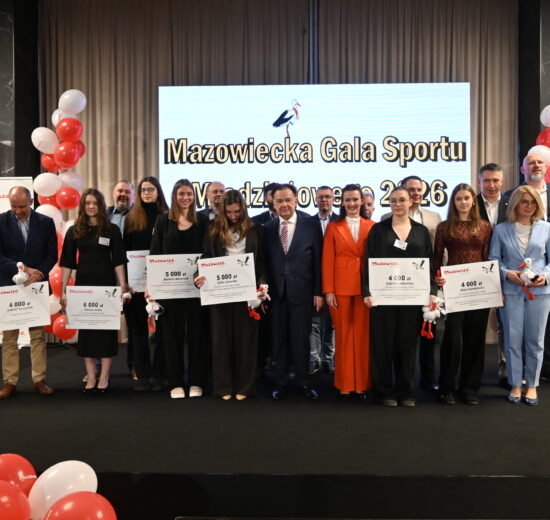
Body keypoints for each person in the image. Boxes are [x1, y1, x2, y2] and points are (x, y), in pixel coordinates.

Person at [363, 186, 436, 407]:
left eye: (402, 200)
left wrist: (432, 291)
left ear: (410, 202)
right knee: (383, 345)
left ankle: (407, 392)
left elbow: (429, 264)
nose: (397, 204)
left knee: (407, 345)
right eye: (393, 200)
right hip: (382, 298)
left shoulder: (421, 231)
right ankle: (384, 391)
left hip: (412, 299)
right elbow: (367, 261)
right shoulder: (378, 230)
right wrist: (366, 292)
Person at [195, 190, 267, 400]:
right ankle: (223, 387)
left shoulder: (255, 228)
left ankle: (245, 387)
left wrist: (262, 284)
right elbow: (206, 256)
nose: (234, 216)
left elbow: (261, 260)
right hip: (220, 292)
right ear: (222, 211)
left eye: (237, 212)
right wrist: (198, 275)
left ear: (243, 209)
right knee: (221, 340)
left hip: (247, 291)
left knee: (247, 341)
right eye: (229, 212)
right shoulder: (213, 228)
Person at [60, 188, 129, 393]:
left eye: (95, 203)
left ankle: (104, 377)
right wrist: (64, 290)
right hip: (83, 285)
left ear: (101, 206)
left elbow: (118, 260)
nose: (91, 206)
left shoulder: (111, 229)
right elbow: (67, 262)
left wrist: (122, 286)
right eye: (88, 203)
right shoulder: (74, 230)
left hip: (106, 285)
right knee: (87, 332)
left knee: (106, 331)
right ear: (83, 206)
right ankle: (91, 377)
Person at [489, 186, 550, 405]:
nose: (529, 206)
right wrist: (507, 273)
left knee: (536, 341)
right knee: (512, 340)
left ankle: (532, 385)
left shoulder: (547, 228)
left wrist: (546, 277)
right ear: (515, 203)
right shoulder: (501, 229)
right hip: (511, 292)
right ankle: (515, 384)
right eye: (524, 201)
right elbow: (494, 259)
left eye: (533, 202)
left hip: (540, 293)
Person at [148, 179, 209, 399]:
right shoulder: (163, 220)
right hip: (169, 288)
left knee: (197, 334)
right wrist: (150, 285)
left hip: (196, 288)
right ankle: (175, 381)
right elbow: (155, 253)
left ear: (194, 196)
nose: (185, 198)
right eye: (181, 194)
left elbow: (209, 253)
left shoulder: (203, 220)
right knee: (170, 335)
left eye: (189, 194)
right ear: (174, 196)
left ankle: (196, 381)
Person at [433, 183, 492, 405]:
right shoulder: (444, 227)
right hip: (454, 288)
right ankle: (447, 387)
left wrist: (493, 288)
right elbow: (436, 258)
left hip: (479, 288)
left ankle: (469, 388)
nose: (463, 202)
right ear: (453, 202)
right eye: (458, 199)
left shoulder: (484, 226)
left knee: (475, 338)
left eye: (466, 198)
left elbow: (488, 258)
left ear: (473, 200)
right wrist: (437, 277)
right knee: (452, 338)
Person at [263, 183, 323, 400]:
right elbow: (264, 263)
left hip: (303, 293)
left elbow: (318, 261)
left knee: (301, 341)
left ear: (296, 201)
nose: (284, 205)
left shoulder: (311, 226)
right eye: (279, 201)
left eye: (288, 200)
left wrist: (318, 292)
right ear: (273, 203)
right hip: (276, 294)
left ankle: (304, 382)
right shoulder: (267, 228)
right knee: (279, 341)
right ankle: (280, 382)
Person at [382, 176, 441, 393]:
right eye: (411, 190)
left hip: (422, 287)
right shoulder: (385, 220)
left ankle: (425, 382)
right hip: (393, 288)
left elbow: (435, 253)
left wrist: (436, 281)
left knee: (424, 338)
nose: (415, 193)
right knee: (398, 339)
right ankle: (394, 384)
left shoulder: (433, 218)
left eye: (418, 190)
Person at [0, 186, 57, 399]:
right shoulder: (1, 221)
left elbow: (51, 254)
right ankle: (10, 381)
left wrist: (37, 274)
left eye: (22, 207)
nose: (17, 211)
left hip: (36, 286)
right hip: (9, 286)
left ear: (31, 202)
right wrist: (23, 269)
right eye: (13, 206)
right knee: (9, 338)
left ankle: (39, 379)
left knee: (37, 336)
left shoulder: (46, 222)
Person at [323, 184, 374, 398]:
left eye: (355, 199)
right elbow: (327, 260)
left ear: (362, 201)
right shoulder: (333, 227)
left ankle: (361, 382)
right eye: (347, 200)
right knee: (343, 336)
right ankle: (344, 382)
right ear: (342, 203)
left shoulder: (373, 226)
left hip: (365, 289)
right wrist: (329, 290)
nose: (352, 203)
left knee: (362, 337)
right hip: (341, 288)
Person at [124, 176, 169, 391]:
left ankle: (160, 375)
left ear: (158, 191)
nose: (147, 193)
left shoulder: (168, 217)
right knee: (138, 330)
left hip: (163, 282)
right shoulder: (132, 219)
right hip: (137, 284)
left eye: (151, 189)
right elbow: (125, 251)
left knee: (163, 330)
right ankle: (143, 376)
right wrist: (126, 282)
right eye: (143, 190)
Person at [477, 163, 509, 387]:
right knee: (475, 324)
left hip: (504, 269)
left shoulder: (512, 203)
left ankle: (505, 365)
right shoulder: (470, 203)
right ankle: (472, 371)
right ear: (479, 182)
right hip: (475, 270)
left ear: (502, 181)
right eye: (486, 180)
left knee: (504, 322)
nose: (491, 185)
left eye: (495, 180)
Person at [309, 186, 337, 375]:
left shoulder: (341, 221)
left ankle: (329, 358)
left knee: (332, 323)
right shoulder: (308, 223)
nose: (324, 200)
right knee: (314, 323)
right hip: (314, 279)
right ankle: (314, 359)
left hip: (337, 280)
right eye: (320, 197)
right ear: (316, 200)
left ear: (333, 199)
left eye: (327, 197)